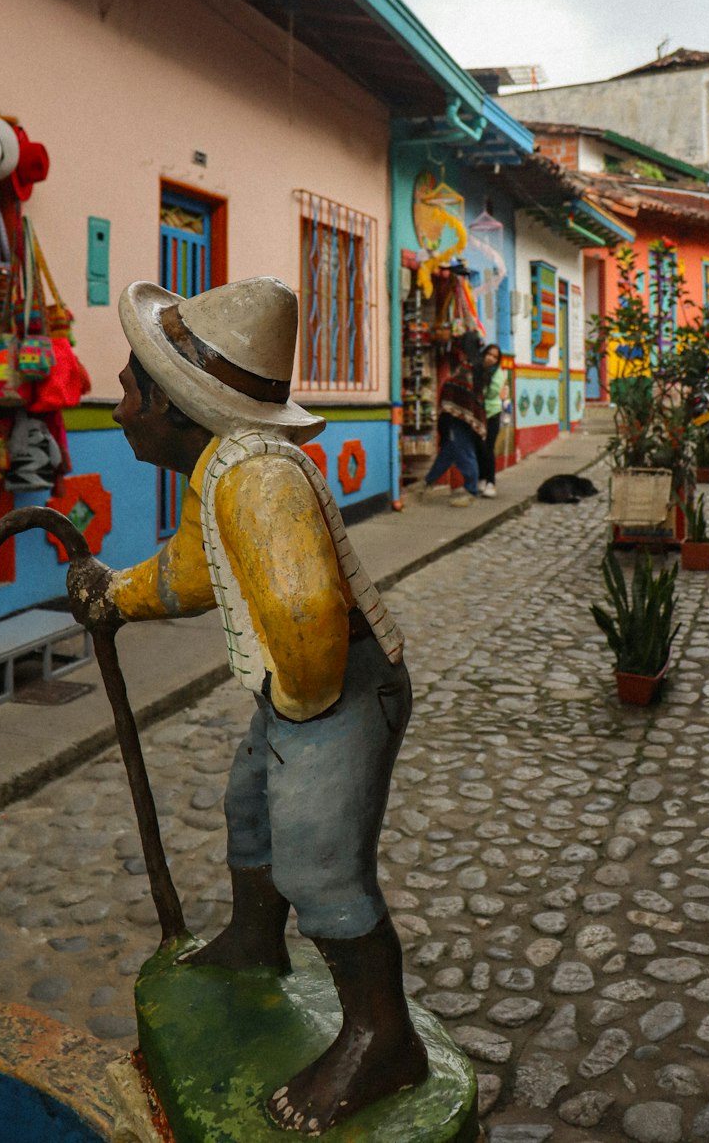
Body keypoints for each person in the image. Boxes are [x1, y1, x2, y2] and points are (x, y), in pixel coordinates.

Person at [65, 277, 427, 1134]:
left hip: (334, 688)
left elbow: (305, 617)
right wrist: (117, 594)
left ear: (175, 407)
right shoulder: (222, 470)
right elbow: (193, 572)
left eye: (127, 391)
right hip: (299, 691)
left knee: (320, 865)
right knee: (250, 812)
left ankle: (384, 1036)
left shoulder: (257, 484)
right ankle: (257, 943)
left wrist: (300, 719)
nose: (118, 410)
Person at [416, 346, 486, 507]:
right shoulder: (474, 370)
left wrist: (451, 407)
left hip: (458, 419)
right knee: (448, 452)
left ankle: (471, 490)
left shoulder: (467, 369)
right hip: (461, 418)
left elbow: (457, 390)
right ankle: (429, 481)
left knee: (464, 452)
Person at [476, 343, 507, 497]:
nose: (491, 358)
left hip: (492, 413)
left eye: (495, 357)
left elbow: (491, 393)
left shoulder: (498, 373)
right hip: (478, 413)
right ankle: (481, 479)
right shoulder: (477, 368)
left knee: (488, 448)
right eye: (489, 354)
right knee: (479, 447)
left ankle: (491, 483)